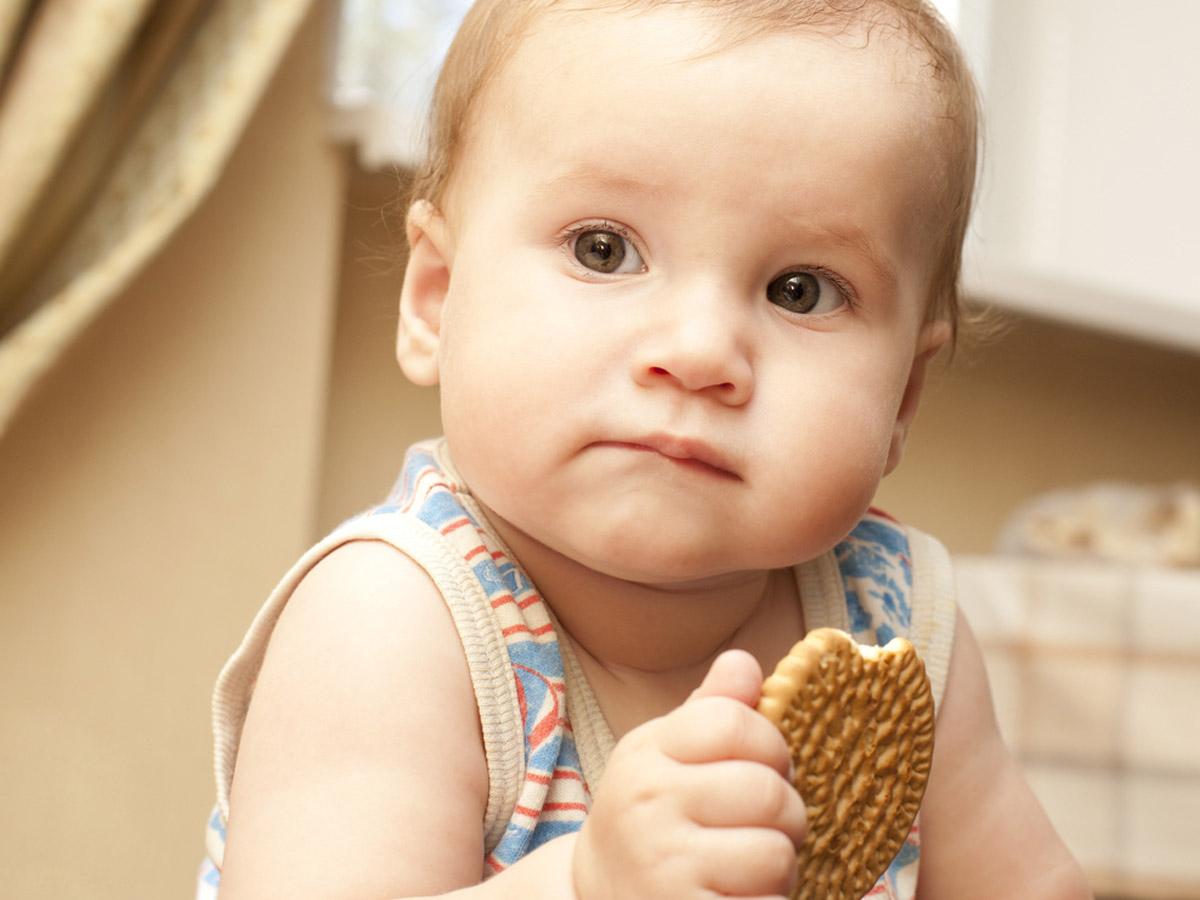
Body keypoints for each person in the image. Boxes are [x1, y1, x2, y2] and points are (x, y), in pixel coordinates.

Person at [199, 1, 1092, 897]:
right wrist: (584, 884)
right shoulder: (390, 619)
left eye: (800, 290)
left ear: (903, 396)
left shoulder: (898, 623)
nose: (700, 352)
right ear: (436, 296)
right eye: (604, 249)